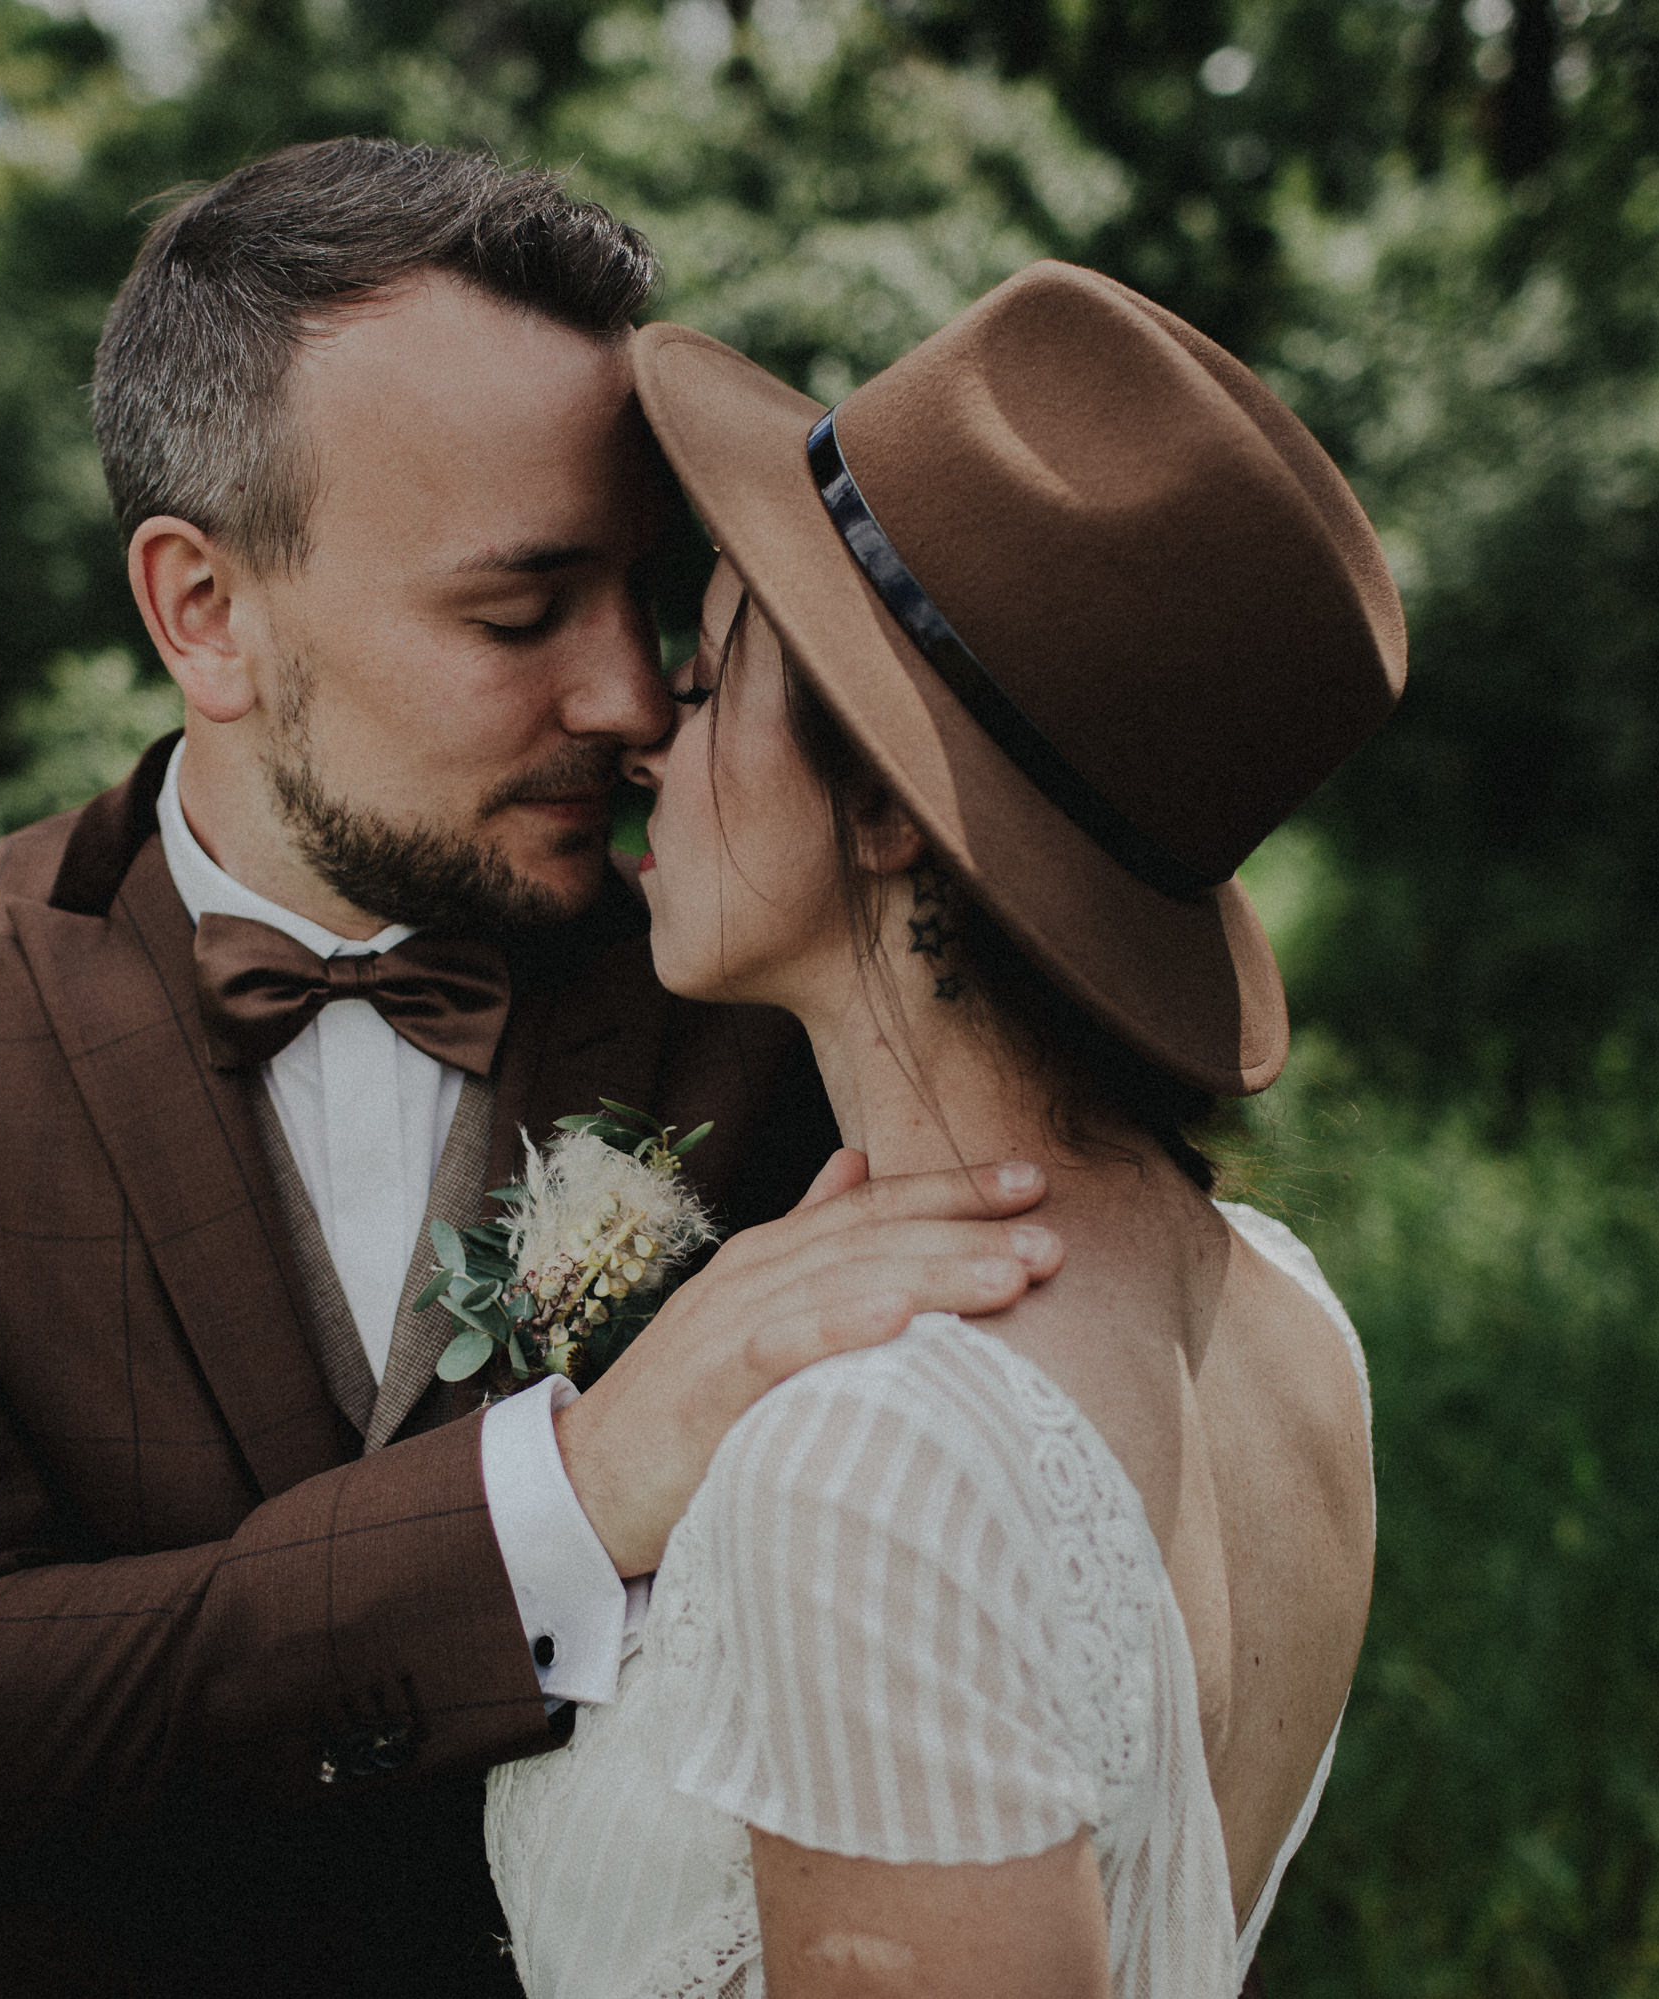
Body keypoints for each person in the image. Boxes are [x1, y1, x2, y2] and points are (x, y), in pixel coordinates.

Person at [0, 139, 1071, 1997]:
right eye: (517, 614)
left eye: (646, 595)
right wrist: (567, 1494)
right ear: (205, 612)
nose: (632, 697)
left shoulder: (757, 965)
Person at [484, 263, 1405, 1996]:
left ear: (892, 808)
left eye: (709, 680)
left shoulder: (872, 1460)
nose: (647, 750)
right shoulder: (1288, 1316)